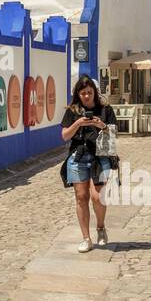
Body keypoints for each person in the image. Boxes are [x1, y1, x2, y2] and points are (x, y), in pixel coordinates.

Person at [60, 75, 119, 252]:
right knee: (81, 197)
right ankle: (86, 238)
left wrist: (102, 125)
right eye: (83, 93)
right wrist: (77, 123)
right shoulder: (73, 111)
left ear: (95, 92)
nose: (86, 96)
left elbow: (114, 134)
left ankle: (101, 228)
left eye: (89, 92)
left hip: (100, 157)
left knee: (97, 196)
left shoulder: (105, 109)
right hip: (78, 157)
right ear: (78, 94)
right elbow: (65, 136)